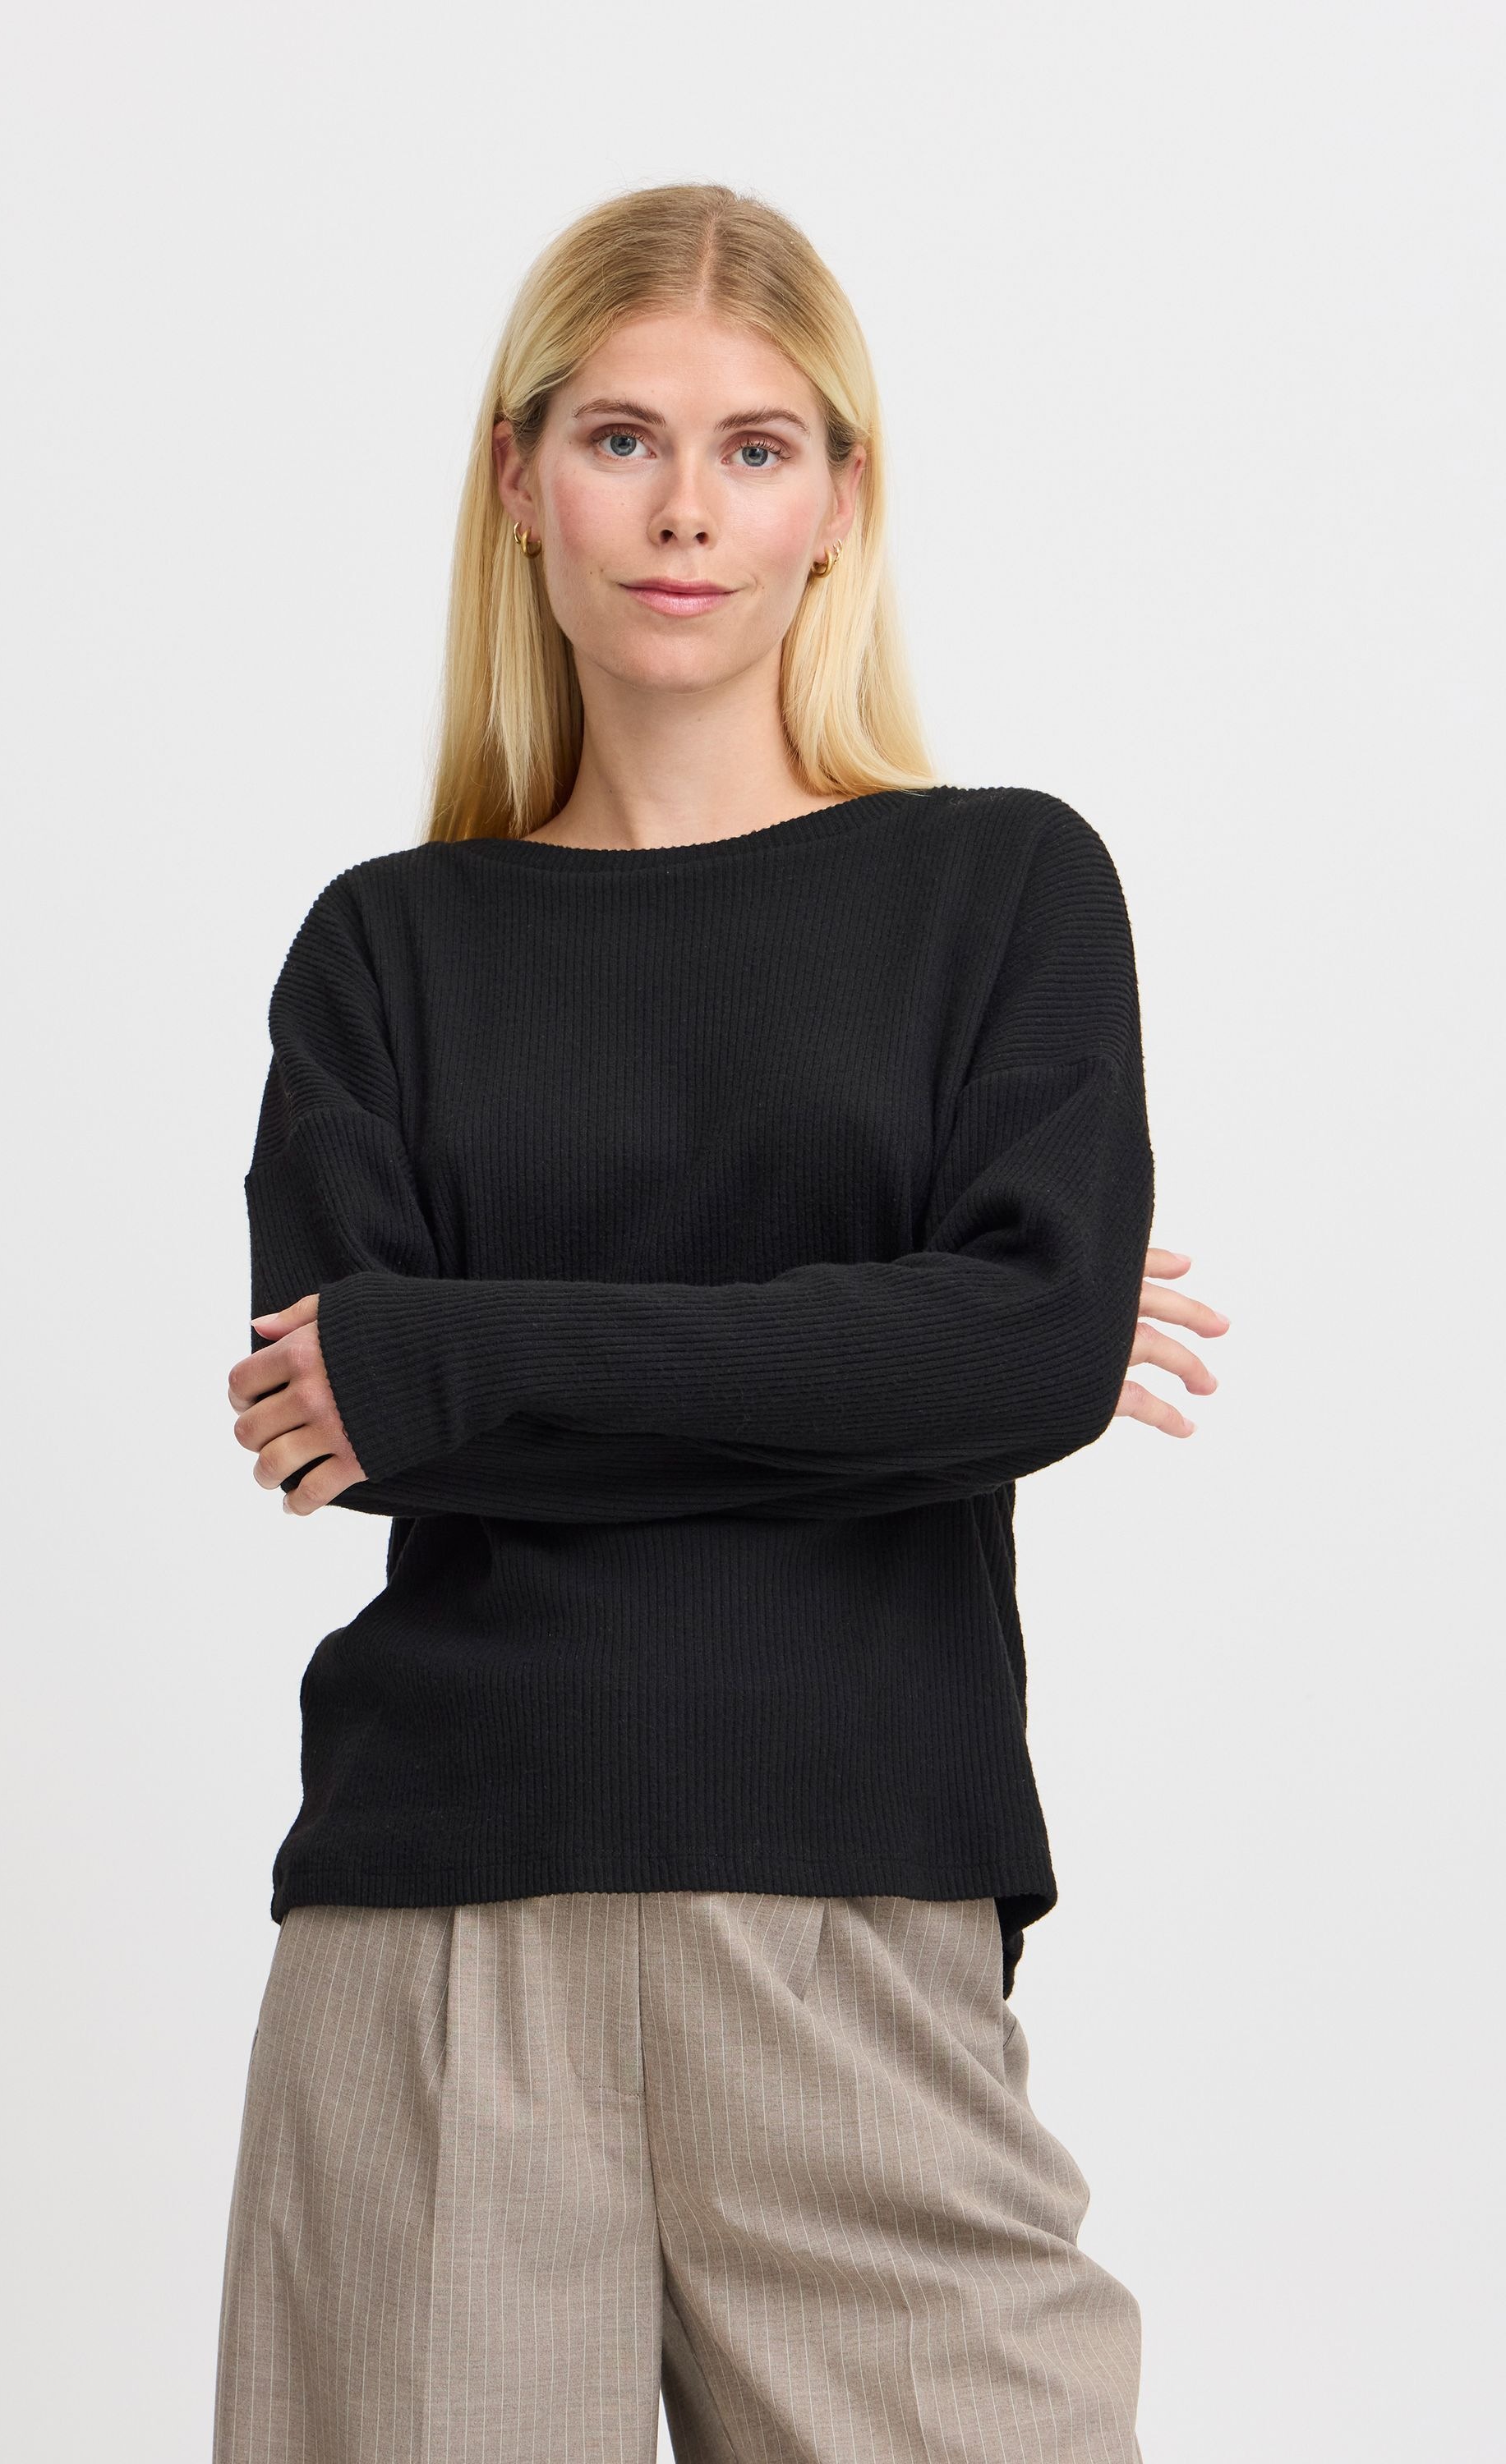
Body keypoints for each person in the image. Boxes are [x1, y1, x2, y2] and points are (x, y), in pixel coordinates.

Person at [216, 181, 1227, 2464]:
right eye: (622, 439)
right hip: (441, 1932)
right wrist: (907, 1354)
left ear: (839, 500)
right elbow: (338, 1420)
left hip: (860, 1925)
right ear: (518, 480)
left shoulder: (1002, 889)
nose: (686, 511)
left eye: (756, 447)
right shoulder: (387, 951)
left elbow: (1023, 1354)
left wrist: (466, 1357)